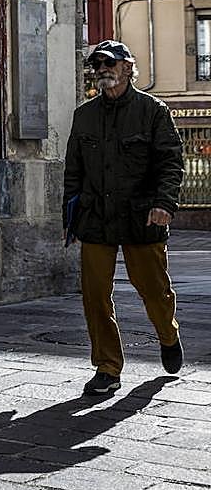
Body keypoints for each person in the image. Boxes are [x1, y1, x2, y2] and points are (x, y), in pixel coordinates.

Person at [63, 40, 184, 397]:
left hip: (142, 217)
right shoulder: (84, 115)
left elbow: (171, 163)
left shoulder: (153, 111)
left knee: (153, 289)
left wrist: (165, 203)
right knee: (94, 295)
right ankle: (107, 367)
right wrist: (71, 216)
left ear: (128, 67)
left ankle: (167, 333)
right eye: (97, 63)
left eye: (110, 62)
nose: (103, 69)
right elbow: (74, 170)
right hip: (95, 219)